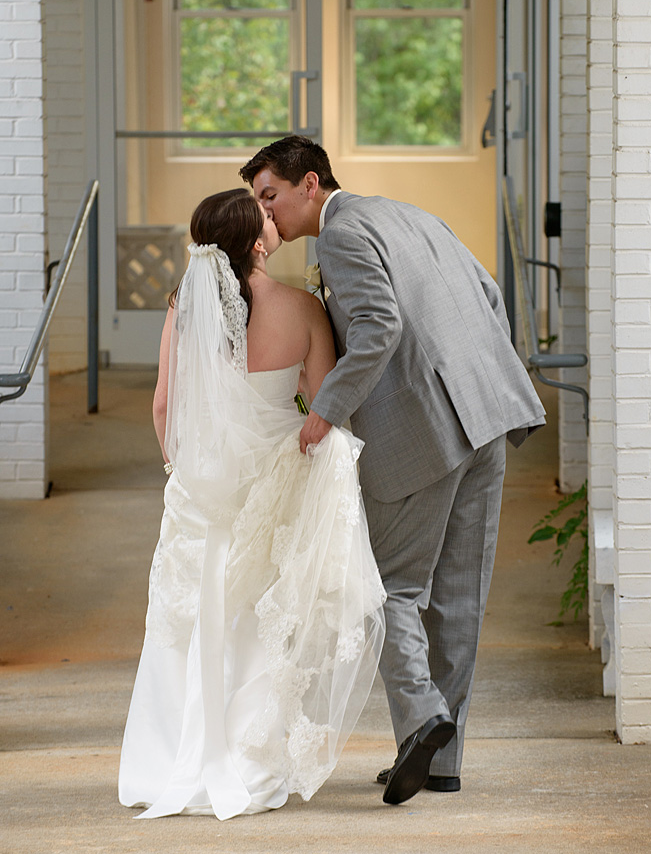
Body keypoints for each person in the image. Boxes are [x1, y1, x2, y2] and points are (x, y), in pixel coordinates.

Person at [240, 136, 546, 806]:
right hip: (487, 415)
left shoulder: (342, 238)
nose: (267, 213)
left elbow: (379, 325)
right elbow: (489, 293)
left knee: (387, 587)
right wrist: (479, 376)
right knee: (459, 597)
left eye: (270, 196)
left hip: (425, 431)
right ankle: (443, 760)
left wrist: (325, 408)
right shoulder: (411, 215)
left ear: (309, 184)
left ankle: (422, 721)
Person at [118, 188, 385, 820]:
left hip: (203, 483)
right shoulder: (302, 309)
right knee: (262, 620)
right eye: (266, 217)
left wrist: (183, 468)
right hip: (276, 476)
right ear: (258, 243)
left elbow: (163, 404)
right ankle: (251, 758)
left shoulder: (186, 307)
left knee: (190, 619)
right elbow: (325, 402)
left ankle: (165, 760)